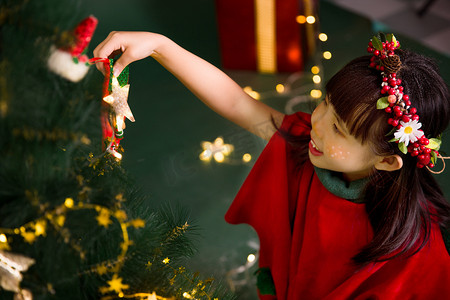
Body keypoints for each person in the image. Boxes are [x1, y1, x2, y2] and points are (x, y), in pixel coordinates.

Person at [93, 32, 450, 299]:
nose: (319, 124)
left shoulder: (415, 251)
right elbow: (237, 103)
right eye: (325, 103)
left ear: (387, 160)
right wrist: (160, 45)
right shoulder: (305, 141)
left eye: (339, 129)